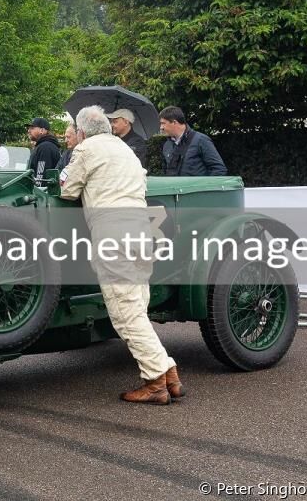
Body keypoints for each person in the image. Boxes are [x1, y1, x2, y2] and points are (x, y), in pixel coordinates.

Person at [61, 105, 183, 404]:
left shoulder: (86, 149)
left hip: (112, 234)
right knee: (136, 309)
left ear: (81, 132)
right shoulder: (125, 149)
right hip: (142, 231)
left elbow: (68, 190)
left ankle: (156, 383)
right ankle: (169, 374)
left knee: (125, 315)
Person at [159, 106, 227, 176]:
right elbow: (166, 172)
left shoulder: (201, 140)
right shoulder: (167, 145)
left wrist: (204, 183)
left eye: (163, 123)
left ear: (174, 122)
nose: (161, 127)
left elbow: (219, 169)